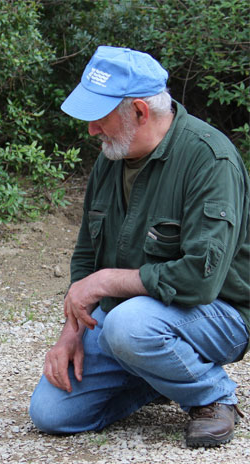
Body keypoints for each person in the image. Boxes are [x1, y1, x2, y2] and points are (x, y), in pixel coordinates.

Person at [29, 46, 249, 447]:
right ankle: (160, 375)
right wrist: (70, 332)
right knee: (51, 413)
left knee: (128, 326)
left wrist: (106, 281)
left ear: (140, 112)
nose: (91, 129)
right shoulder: (111, 157)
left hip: (220, 313)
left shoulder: (210, 160)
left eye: (100, 116)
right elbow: (85, 255)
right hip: (132, 319)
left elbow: (201, 280)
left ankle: (212, 396)